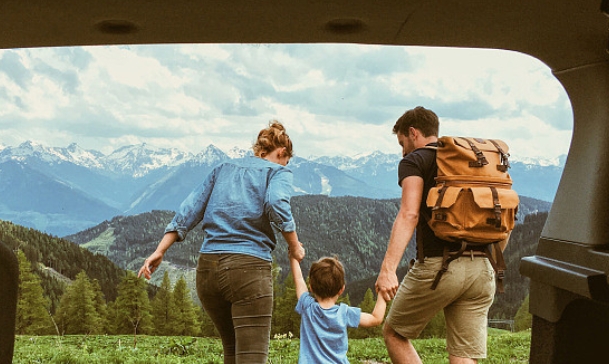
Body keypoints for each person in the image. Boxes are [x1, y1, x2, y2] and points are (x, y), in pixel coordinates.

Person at [138, 120, 305, 364]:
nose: (285, 166)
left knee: (233, 353)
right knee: (251, 358)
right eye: (285, 161)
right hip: (248, 272)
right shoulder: (277, 172)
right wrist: (294, 245)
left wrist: (160, 250)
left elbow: (189, 209)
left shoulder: (223, 168)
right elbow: (276, 204)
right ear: (281, 153)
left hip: (207, 272)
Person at [375, 106, 496, 364]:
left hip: (440, 267)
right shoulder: (470, 161)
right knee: (463, 354)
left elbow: (409, 214)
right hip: (483, 268)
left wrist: (388, 270)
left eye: (402, 142)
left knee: (394, 332)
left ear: (413, 132)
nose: (403, 150)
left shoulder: (415, 160)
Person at [290, 254, 387, 363]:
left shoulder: (307, 306)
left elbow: (298, 279)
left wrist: (294, 258)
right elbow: (376, 319)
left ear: (311, 287)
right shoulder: (344, 313)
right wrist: (382, 294)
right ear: (341, 290)